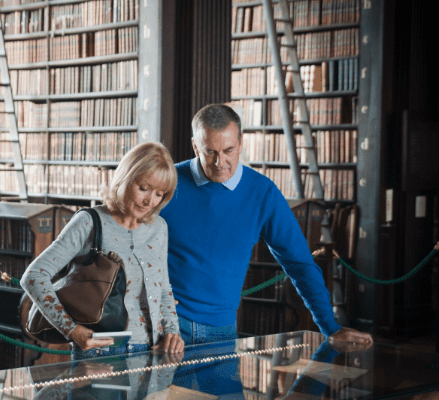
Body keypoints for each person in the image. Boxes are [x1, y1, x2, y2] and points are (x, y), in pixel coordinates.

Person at [159, 103, 372, 346]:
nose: (220, 162)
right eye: (210, 152)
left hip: (222, 331)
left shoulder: (263, 193)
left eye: (228, 150)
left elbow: (299, 262)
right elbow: (127, 238)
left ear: (241, 142)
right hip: (167, 328)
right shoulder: (167, 183)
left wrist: (330, 327)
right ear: (195, 145)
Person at [21, 141, 185, 360]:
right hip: (100, 353)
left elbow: (163, 288)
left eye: (159, 194)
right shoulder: (89, 222)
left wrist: (173, 332)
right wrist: (72, 330)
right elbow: (33, 276)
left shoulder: (159, 228)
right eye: (143, 188)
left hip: (152, 351)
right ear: (125, 179)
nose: (149, 201)